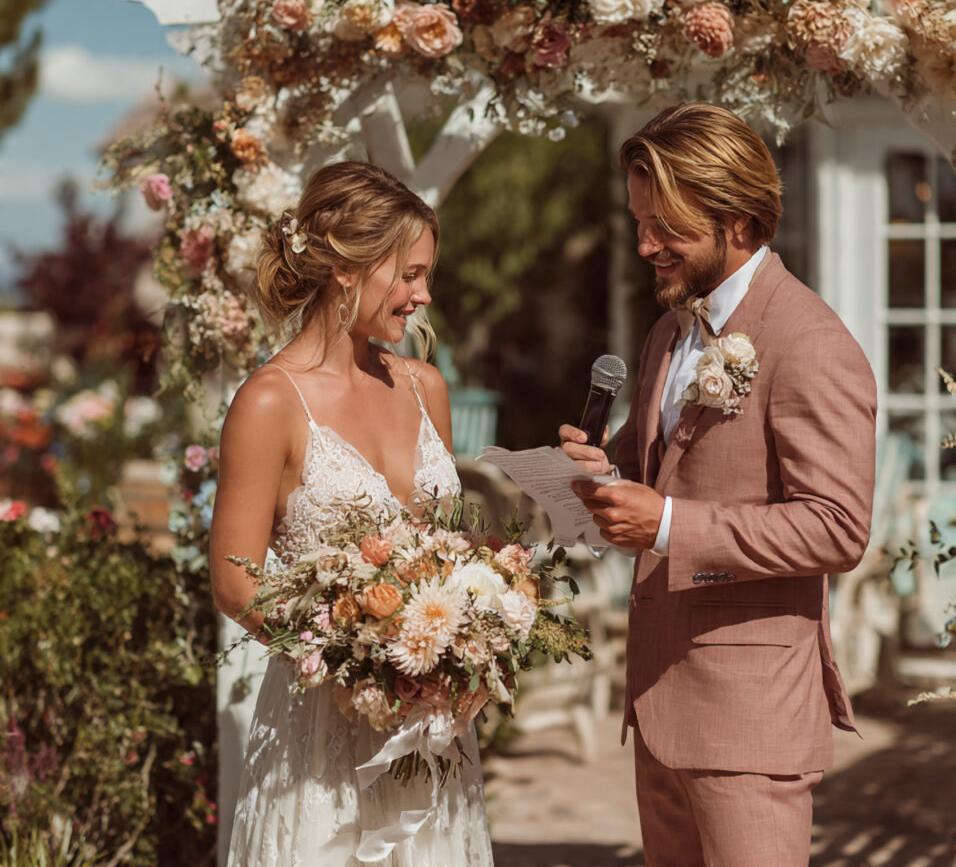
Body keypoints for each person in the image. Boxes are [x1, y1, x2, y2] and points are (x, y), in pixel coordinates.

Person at [559, 102, 877, 867]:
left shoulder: (810, 341)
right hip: (661, 699)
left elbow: (838, 526)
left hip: (749, 717)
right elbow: (661, 467)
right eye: (640, 221)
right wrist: (603, 473)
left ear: (736, 217)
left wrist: (668, 524)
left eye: (665, 226)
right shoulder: (670, 331)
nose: (644, 245)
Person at [210, 161, 493, 866]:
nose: (423, 295)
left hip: (433, 732)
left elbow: (445, 549)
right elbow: (234, 582)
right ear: (347, 269)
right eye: (409, 274)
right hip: (322, 731)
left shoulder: (425, 386)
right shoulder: (270, 401)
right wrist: (358, 661)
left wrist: (470, 630)